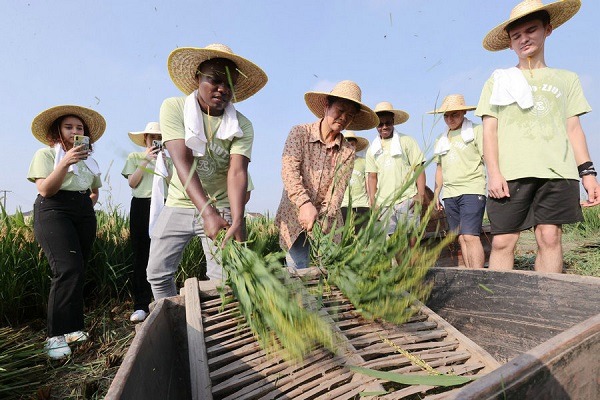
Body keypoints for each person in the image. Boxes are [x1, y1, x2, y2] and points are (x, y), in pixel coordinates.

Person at [476, 0, 599, 273]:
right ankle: (501, 309)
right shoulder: (498, 80)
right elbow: (490, 130)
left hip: (556, 171)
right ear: (509, 44)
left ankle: (548, 305)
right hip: (511, 173)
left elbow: (574, 129)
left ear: (548, 30)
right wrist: (493, 173)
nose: (524, 39)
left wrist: (588, 173)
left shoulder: (566, 79)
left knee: (550, 237)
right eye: (516, 36)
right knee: (503, 241)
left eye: (531, 30)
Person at [146, 43, 267, 299]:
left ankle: (213, 326)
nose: (222, 89)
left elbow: (236, 173)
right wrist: (205, 212)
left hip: (221, 204)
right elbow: (182, 162)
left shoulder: (241, 125)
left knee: (225, 278)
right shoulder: (174, 108)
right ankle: (175, 319)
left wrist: (236, 220)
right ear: (197, 78)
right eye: (215, 80)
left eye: (229, 85)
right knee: (157, 273)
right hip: (179, 202)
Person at [27, 105, 105, 359]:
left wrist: (85, 207)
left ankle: (73, 328)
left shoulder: (90, 160)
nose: (74, 132)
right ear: (58, 131)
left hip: (82, 211)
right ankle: (54, 336)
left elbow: (94, 191)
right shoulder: (46, 154)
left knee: (79, 268)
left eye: (79, 128)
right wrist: (65, 162)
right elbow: (45, 189)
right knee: (66, 268)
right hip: (53, 209)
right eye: (68, 127)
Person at [276, 80, 378, 269]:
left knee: (328, 276)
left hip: (327, 225)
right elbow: (289, 171)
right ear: (326, 106)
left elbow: (336, 192)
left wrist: (323, 219)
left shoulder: (347, 151)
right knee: (299, 272)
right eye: (340, 110)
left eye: (349, 115)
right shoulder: (300, 133)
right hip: (294, 217)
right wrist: (304, 204)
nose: (343, 118)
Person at [121, 122, 171, 322]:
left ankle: (163, 300)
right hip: (142, 205)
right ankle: (141, 305)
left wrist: (164, 162)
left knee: (164, 255)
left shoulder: (170, 159)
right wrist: (146, 160)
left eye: (160, 137)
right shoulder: (134, 157)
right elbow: (133, 182)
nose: (156, 141)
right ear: (145, 139)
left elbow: (175, 183)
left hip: (166, 205)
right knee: (141, 255)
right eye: (152, 137)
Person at [430, 94, 486, 269]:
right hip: (450, 193)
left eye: (454, 114)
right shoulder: (441, 140)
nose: (450, 119)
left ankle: (479, 276)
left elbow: (487, 156)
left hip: (472, 188)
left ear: (463, 113)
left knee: (471, 235)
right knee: (461, 237)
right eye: (446, 115)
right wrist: (436, 195)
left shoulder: (476, 131)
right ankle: (471, 275)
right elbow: (440, 169)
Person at [366, 101, 426, 238]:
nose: (384, 127)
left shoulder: (407, 141)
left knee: (411, 238)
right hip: (384, 204)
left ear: (393, 122)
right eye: (380, 124)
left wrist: (421, 195)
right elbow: (372, 177)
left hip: (406, 199)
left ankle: (414, 260)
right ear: (376, 125)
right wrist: (372, 201)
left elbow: (419, 168)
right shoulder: (372, 150)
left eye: (388, 123)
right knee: (393, 242)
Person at [340, 130, 371, 233]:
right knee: (344, 238)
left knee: (361, 237)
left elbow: (368, 182)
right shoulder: (337, 164)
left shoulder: (363, 162)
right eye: (346, 145)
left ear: (356, 145)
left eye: (351, 144)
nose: (349, 147)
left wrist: (372, 201)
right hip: (344, 205)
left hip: (362, 204)